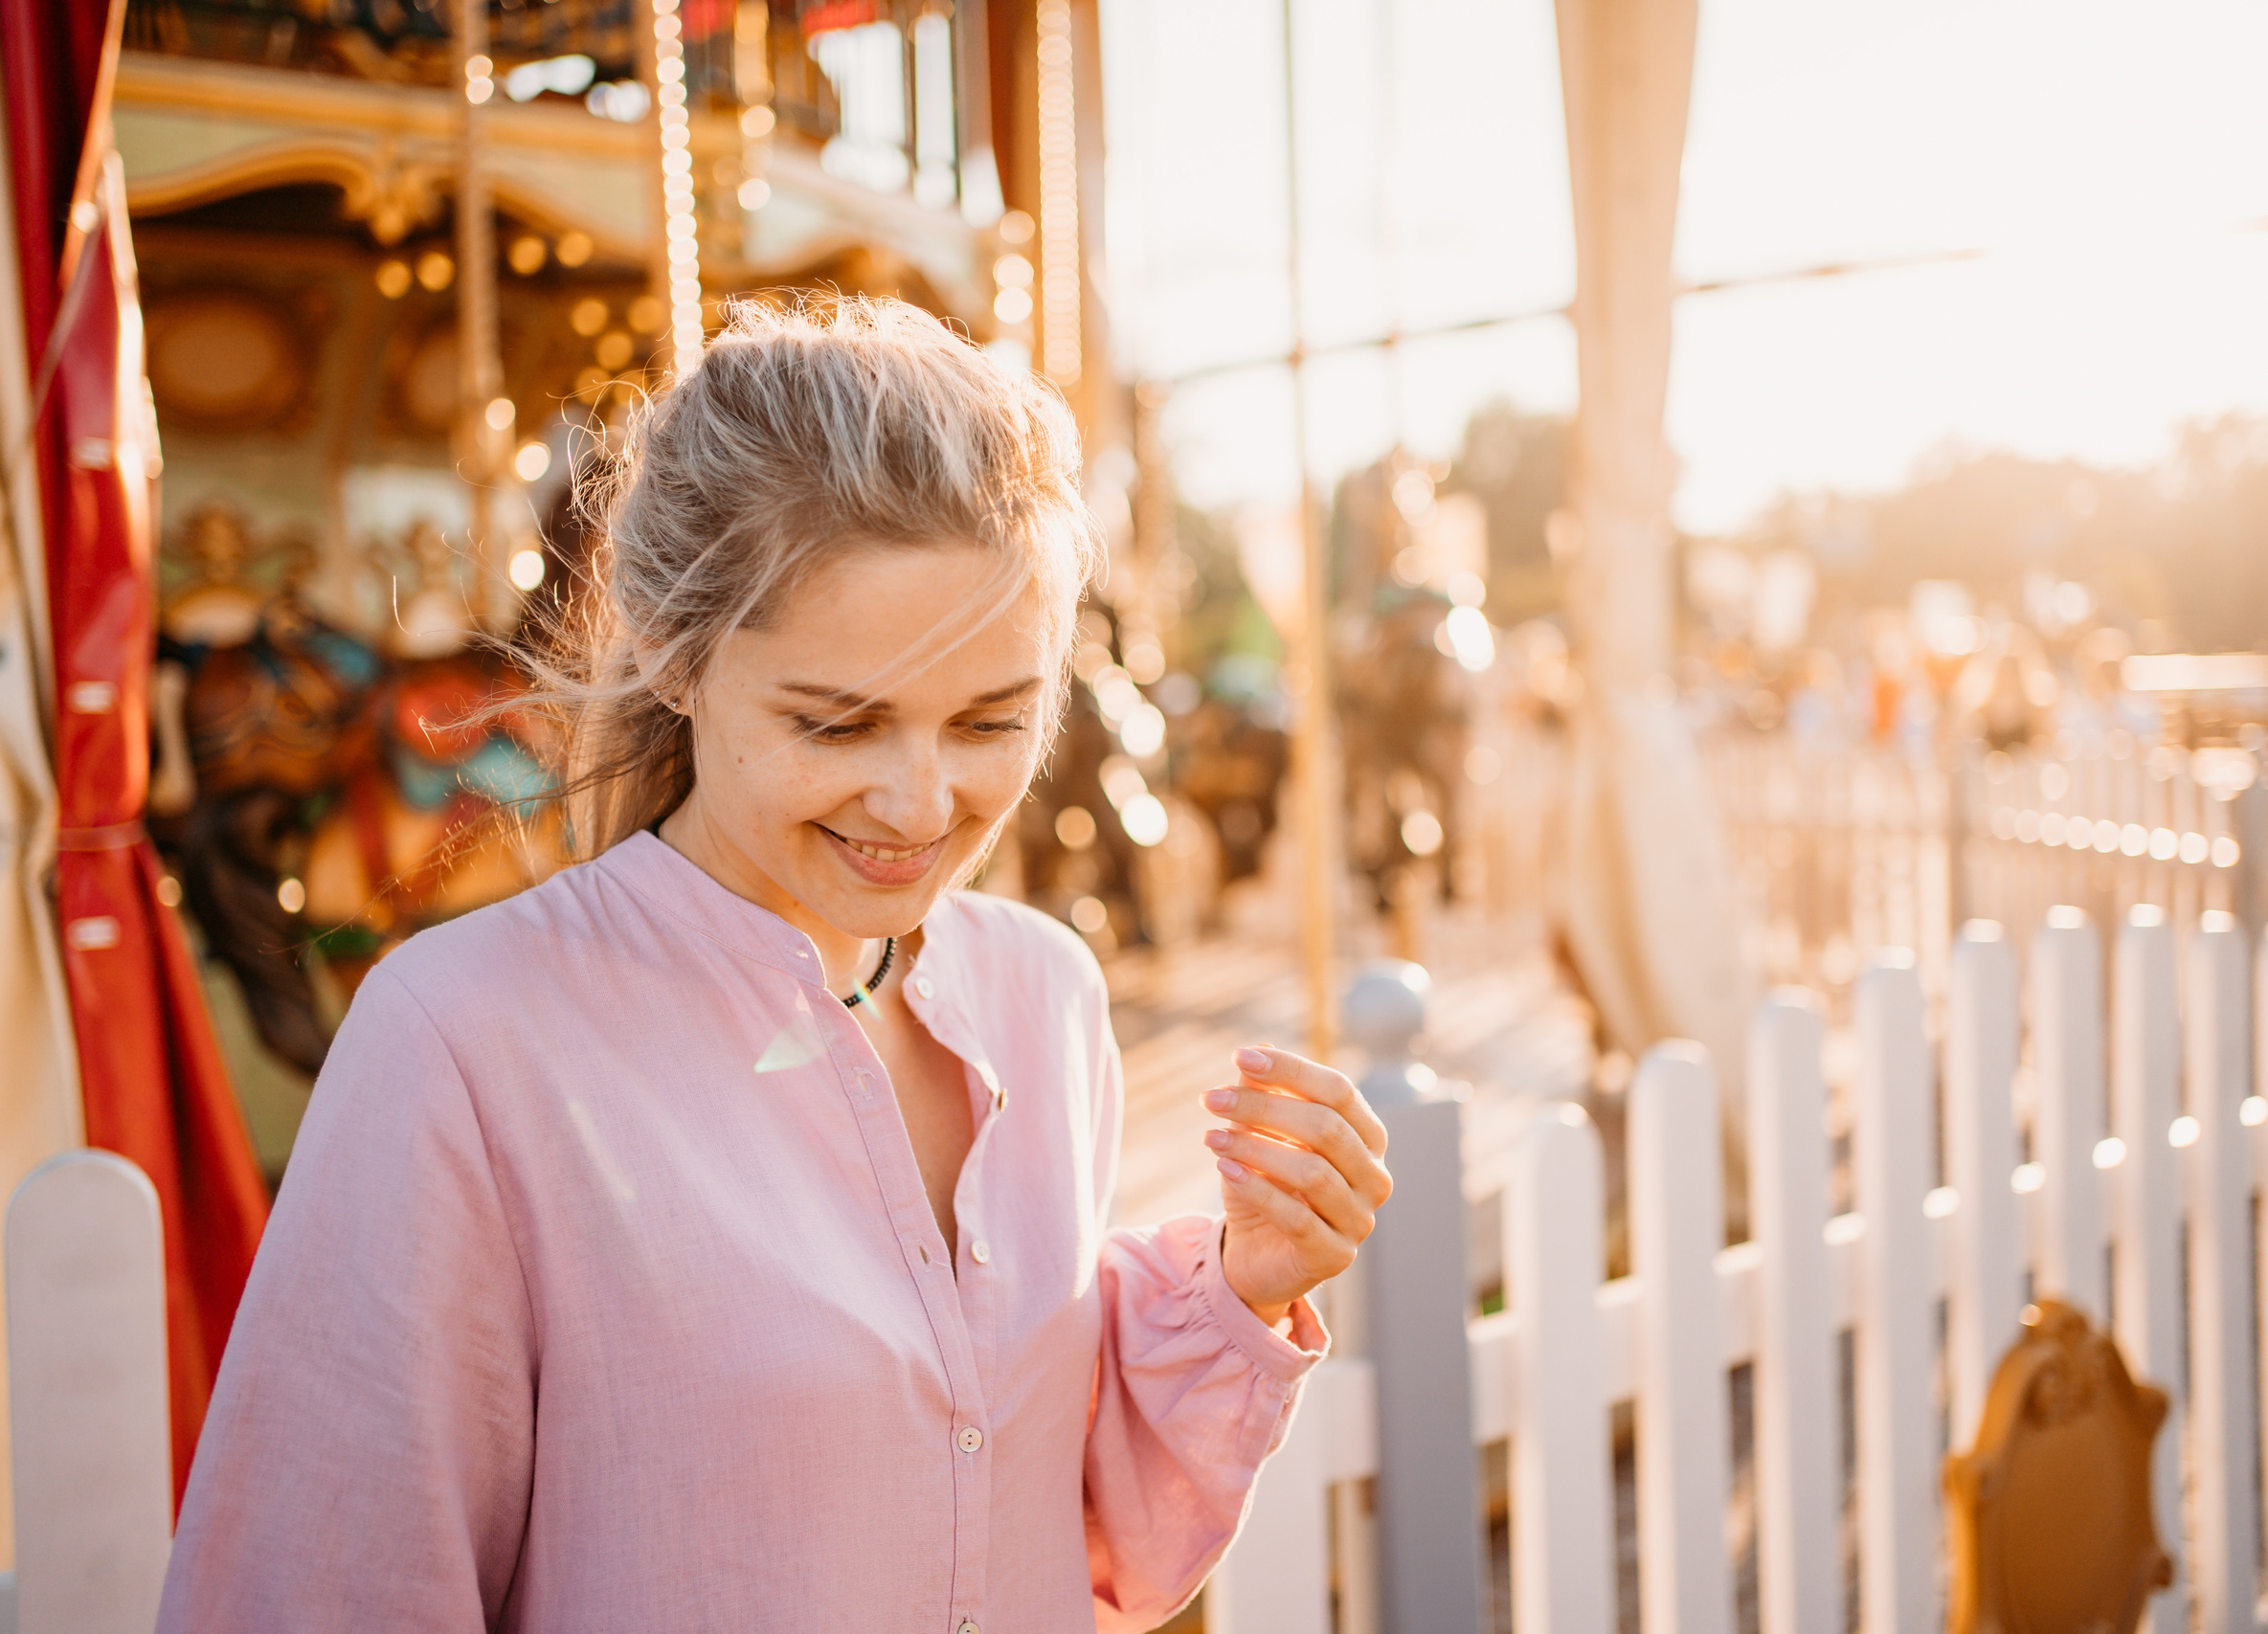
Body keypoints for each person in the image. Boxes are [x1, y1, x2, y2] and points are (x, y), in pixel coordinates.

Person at [154, 299, 1392, 1634]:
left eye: (992, 720)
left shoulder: (1043, 992)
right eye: (839, 723)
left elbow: (1051, 1526)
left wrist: (1243, 1286)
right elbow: (327, 1584)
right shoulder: (461, 1040)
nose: (922, 805)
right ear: (676, 656)